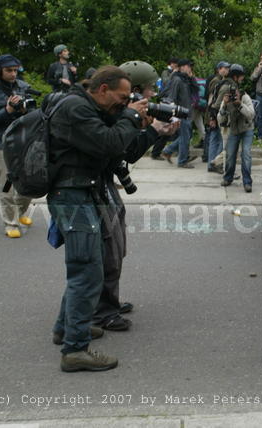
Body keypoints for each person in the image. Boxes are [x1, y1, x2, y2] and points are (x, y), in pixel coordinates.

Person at [47, 66, 151, 372]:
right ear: (103, 89)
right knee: (87, 271)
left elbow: (121, 149)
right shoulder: (76, 108)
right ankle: (75, 350)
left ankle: (65, 328)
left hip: (81, 194)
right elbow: (108, 143)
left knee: (86, 267)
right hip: (72, 197)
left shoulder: (88, 107)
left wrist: (145, 127)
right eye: (121, 97)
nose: (123, 103)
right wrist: (130, 116)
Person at [82, 60, 179, 332]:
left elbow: (129, 152)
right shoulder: (107, 113)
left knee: (115, 246)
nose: (151, 97)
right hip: (90, 188)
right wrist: (142, 125)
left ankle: (106, 302)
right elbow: (117, 147)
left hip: (103, 184)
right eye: (148, 90)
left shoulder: (118, 112)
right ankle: (102, 312)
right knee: (107, 250)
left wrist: (153, 131)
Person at [0, 54, 34, 238]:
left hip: (23, 142)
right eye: (8, 71)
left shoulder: (23, 87)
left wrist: (27, 110)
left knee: (29, 182)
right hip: (1, 143)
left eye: (15, 70)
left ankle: (20, 212)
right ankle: (10, 222)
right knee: (7, 186)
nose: (13, 74)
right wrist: (7, 110)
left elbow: (34, 113)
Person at [218, 64, 255, 192]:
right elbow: (220, 119)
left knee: (246, 155)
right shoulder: (226, 100)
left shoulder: (244, 97)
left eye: (236, 92)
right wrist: (224, 107)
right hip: (234, 130)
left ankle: (247, 182)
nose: (234, 94)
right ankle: (228, 178)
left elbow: (251, 115)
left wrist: (240, 105)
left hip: (246, 129)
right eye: (232, 92)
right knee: (230, 155)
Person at [160, 59, 198, 168]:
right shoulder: (177, 79)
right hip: (181, 113)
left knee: (187, 135)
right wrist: (175, 115)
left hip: (187, 112)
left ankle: (168, 151)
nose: (190, 68)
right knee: (185, 137)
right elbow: (171, 97)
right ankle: (182, 161)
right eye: (188, 66)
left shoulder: (186, 79)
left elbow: (196, 90)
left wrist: (192, 78)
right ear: (181, 67)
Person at [206, 61, 232, 173]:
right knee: (215, 139)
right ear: (219, 69)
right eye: (224, 68)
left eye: (227, 68)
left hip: (214, 112)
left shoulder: (220, 80)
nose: (227, 70)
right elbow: (212, 99)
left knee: (215, 139)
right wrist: (212, 117)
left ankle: (212, 163)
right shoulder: (216, 81)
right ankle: (213, 164)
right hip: (214, 112)